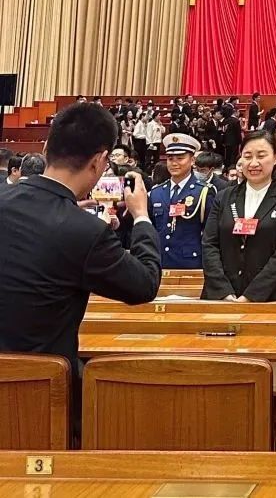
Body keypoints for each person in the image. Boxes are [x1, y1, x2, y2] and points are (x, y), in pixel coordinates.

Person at [0, 103, 160, 396]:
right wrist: (141, 217)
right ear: (99, 161)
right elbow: (144, 284)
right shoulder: (86, 231)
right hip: (40, 389)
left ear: (46, 148)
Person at [201, 130, 276, 302]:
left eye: (261, 156)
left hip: (269, 297)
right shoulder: (224, 197)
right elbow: (209, 244)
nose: (254, 163)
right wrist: (223, 291)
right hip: (221, 296)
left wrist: (251, 295)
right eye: (247, 156)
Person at [148, 132, 215, 269]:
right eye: (170, 158)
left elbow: (210, 234)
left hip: (190, 264)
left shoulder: (204, 191)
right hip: (160, 262)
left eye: (180, 158)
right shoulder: (156, 192)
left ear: (192, 160)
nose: (174, 163)